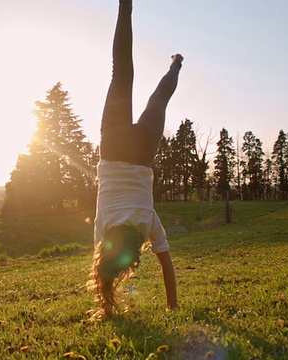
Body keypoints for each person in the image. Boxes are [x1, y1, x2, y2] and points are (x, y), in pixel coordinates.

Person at [88, 0, 183, 318]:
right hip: (113, 147)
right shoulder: (104, 227)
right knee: (121, 71)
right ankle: (124, 7)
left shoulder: (148, 222)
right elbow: (103, 264)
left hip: (142, 152)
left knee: (159, 99)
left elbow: (167, 265)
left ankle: (176, 65)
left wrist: (173, 306)